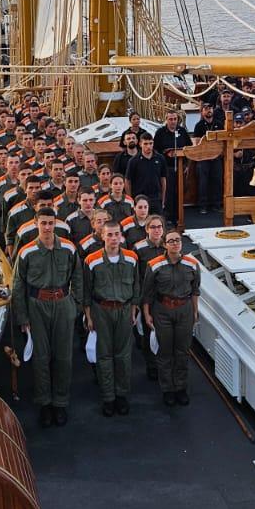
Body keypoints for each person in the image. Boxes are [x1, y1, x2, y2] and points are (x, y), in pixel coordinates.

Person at [11, 208, 81, 428]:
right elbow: (18, 285)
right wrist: (22, 316)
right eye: (44, 223)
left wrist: (74, 306)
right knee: (41, 357)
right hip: (37, 306)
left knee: (63, 356)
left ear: (56, 223)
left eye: (51, 223)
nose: (48, 228)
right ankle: (45, 403)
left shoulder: (68, 248)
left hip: (62, 304)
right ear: (36, 223)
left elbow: (78, 276)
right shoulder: (26, 251)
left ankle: (60, 402)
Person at [82, 222, 140, 416]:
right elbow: (86, 291)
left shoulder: (132, 258)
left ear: (121, 236)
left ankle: (121, 394)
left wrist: (133, 310)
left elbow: (136, 287)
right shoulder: (92, 260)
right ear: (103, 237)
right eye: (110, 235)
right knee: (104, 355)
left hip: (124, 310)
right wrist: (89, 316)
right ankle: (108, 397)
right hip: (101, 310)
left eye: (117, 234)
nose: (113, 238)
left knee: (123, 355)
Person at [142, 228, 201, 407]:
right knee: (165, 352)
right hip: (162, 310)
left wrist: (195, 311)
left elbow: (195, 290)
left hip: (184, 310)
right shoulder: (154, 264)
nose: (175, 243)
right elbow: (147, 292)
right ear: (164, 244)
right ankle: (168, 389)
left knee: (182, 351)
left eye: (178, 240)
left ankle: (180, 387)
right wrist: (146, 313)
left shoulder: (192, 264)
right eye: (171, 241)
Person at [155, 106, 192, 205]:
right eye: (170, 119)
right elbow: (155, 150)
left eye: (175, 119)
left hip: (181, 167)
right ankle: (168, 215)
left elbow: (189, 148)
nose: (173, 121)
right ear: (166, 120)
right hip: (167, 167)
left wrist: (188, 165)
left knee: (181, 190)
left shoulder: (182, 131)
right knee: (168, 192)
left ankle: (179, 215)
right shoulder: (160, 132)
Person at [125, 132, 166, 214]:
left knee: (157, 224)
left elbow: (163, 180)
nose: (149, 146)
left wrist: (163, 199)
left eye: (151, 143)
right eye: (146, 144)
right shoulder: (133, 161)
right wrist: (131, 201)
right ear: (140, 144)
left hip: (156, 199)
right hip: (139, 199)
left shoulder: (160, 158)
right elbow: (127, 181)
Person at [192, 100, 221, 215]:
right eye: (206, 109)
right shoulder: (199, 126)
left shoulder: (219, 124)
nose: (209, 110)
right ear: (202, 111)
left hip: (216, 157)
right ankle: (202, 206)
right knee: (203, 183)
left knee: (217, 181)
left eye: (210, 108)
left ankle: (217, 204)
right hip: (203, 158)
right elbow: (197, 142)